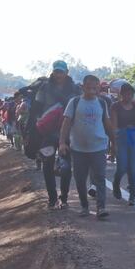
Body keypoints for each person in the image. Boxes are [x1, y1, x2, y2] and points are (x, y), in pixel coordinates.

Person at [59, 75, 114, 220]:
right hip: (78, 149)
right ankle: (84, 206)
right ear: (83, 87)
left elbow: (107, 124)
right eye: (89, 86)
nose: (92, 89)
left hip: (98, 147)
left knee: (100, 178)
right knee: (80, 179)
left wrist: (115, 143)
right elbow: (66, 123)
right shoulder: (75, 102)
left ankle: (101, 207)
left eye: (95, 87)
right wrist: (62, 143)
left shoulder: (102, 103)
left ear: (98, 88)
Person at [34, 60, 80, 209]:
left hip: (66, 132)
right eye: (56, 71)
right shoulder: (45, 87)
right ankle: (52, 197)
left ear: (67, 72)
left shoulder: (74, 89)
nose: (59, 74)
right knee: (47, 165)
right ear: (53, 72)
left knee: (66, 166)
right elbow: (37, 107)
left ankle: (64, 198)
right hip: (48, 132)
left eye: (61, 71)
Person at [110, 82, 135, 206]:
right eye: (126, 94)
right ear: (121, 94)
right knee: (122, 167)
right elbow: (114, 125)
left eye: (131, 94)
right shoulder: (115, 106)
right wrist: (113, 143)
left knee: (132, 167)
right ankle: (116, 183)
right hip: (121, 137)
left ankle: (132, 196)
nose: (128, 96)